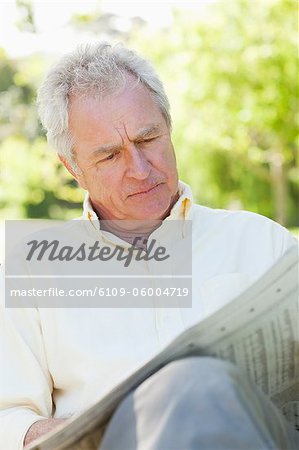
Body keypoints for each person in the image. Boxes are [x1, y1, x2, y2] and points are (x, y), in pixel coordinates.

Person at [0, 42, 298, 450]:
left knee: (200, 383)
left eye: (148, 138)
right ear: (73, 168)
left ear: (168, 127)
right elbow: (8, 418)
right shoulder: (31, 270)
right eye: (109, 156)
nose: (140, 171)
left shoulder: (262, 242)